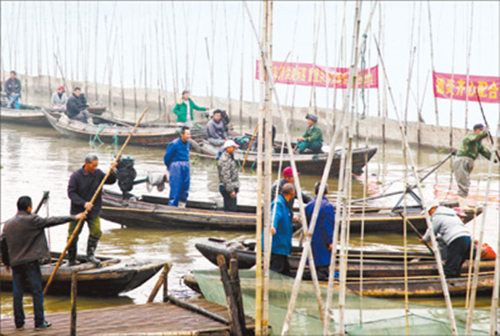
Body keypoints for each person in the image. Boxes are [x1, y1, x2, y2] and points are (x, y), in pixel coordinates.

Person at [1, 196, 85, 331]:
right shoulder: (33, 220)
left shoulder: (8, 224)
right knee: (37, 291)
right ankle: (39, 321)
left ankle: (19, 322)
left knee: (18, 293)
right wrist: (74, 217)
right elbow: (52, 220)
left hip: (16, 263)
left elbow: (3, 245)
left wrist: (6, 262)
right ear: (29, 207)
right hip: (30, 262)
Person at [67, 154, 117, 265]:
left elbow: (110, 180)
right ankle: (71, 259)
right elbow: (71, 193)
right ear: (86, 164)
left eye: (96, 166)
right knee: (73, 235)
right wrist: (83, 203)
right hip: (78, 211)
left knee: (96, 232)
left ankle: (90, 255)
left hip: (94, 210)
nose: (95, 168)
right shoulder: (76, 176)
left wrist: (112, 171)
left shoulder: (98, 174)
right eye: (93, 166)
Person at [420, 201, 471, 278]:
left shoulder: (438, 217)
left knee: (450, 266)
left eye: (429, 212)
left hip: (456, 239)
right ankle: (456, 277)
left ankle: (450, 281)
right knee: (457, 262)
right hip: (466, 237)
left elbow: (431, 230)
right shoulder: (452, 215)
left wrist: (424, 239)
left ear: (433, 208)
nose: (429, 214)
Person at [453, 123, 493, 207]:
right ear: (476, 130)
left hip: (469, 162)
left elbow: (485, 152)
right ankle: (463, 205)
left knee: (466, 182)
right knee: (463, 183)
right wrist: (486, 131)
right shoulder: (470, 136)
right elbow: (476, 137)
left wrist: (494, 158)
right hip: (462, 161)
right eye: (480, 130)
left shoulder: (478, 144)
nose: (481, 132)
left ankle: (463, 202)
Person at [305, 182, 335, 280]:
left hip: (311, 241)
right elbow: (327, 226)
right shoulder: (328, 206)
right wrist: (330, 242)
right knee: (322, 271)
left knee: (313, 266)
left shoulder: (308, 206)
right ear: (327, 192)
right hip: (322, 243)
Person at [265, 183, 296, 276]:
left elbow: (284, 216)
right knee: (276, 270)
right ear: (292, 193)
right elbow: (275, 215)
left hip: (283, 244)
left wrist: (292, 218)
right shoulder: (278, 203)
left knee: (285, 271)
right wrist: (272, 226)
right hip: (278, 244)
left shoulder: (285, 203)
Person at [164, 126, 191, 207]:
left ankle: (182, 205)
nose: (188, 136)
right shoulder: (174, 144)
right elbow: (166, 157)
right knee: (176, 188)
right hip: (176, 166)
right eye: (187, 134)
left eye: (189, 134)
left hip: (186, 165)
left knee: (185, 187)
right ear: (181, 134)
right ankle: (172, 206)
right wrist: (169, 167)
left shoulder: (188, 143)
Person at [218, 140, 240, 212]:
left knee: (230, 207)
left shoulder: (230, 157)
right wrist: (231, 190)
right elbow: (226, 177)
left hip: (231, 186)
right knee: (231, 209)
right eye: (233, 148)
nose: (234, 149)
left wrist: (236, 187)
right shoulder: (225, 160)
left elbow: (233, 174)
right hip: (227, 188)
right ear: (227, 148)